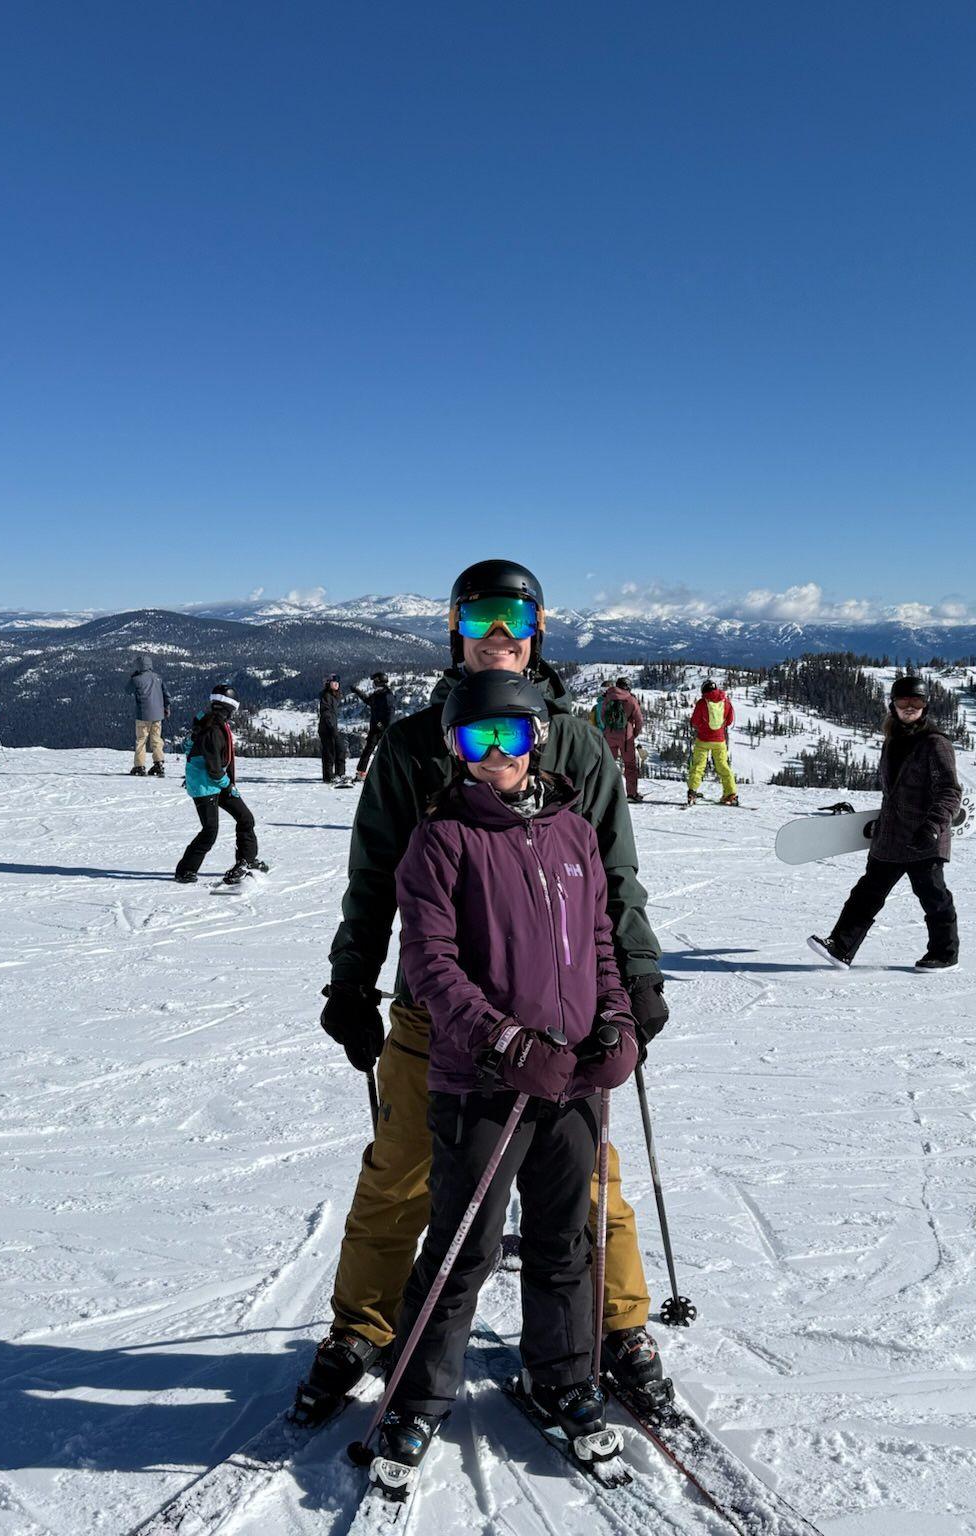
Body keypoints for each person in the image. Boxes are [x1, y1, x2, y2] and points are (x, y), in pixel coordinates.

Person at [297, 558, 671, 1425]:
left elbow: (613, 876)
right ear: (455, 630)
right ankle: (364, 1325)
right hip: (442, 1014)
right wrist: (352, 979)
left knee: (585, 1179)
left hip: (561, 1020)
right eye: (479, 618)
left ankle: (613, 1326)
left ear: (539, 630)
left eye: (515, 617)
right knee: (400, 1170)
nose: (498, 635)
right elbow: (374, 879)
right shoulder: (412, 744)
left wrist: (636, 977)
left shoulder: (574, 739)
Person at [366, 669, 642, 1481]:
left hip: (572, 1077)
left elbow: (598, 945)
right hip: (483, 1081)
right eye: (475, 739)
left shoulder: (573, 832)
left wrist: (616, 1018)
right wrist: (505, 1041)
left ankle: (560, 1378)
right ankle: (417, 1396)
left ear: (537, 741)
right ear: (454, 749)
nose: (495, 755)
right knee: (463, 1246)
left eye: (510, 737)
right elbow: (431, 964)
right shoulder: (442, 838)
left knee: (566, 1242)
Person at [808, 675, 963, 973]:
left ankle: (945, 954)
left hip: (923, 836)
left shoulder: (935, 743)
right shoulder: (893, 741)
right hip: (891, 836)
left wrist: (932, 826)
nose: (909, 708)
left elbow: (950, 791)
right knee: (866, 893)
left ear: (925, 706)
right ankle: (840, 947)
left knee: (933, 897)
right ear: (892, 705)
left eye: (915, 703)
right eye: (903, 702)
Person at [175, 685, 266, 885]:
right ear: (230, 708)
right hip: (205, 785)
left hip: (217, 782)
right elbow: (214, 769)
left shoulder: (210, 721)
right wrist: (228, 785)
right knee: (210, 831)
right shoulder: (213, 730)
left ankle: (247, 860)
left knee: (245, 818)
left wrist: (227, 784)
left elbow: (190, 746)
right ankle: (185, 870)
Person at [687, 679, 738, 806]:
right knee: (723, 766)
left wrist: (702, 727)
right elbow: (730, 721)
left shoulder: (702, 703)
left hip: (703, 740)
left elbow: (694, 721)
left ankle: (692, 792)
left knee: (698, 766)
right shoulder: (726, 702)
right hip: (719, 740)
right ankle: (730, 793)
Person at [597, 677, 645, 802]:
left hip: (609, 735)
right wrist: (634, 733)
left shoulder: (608, 697)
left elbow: (602, 716)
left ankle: (606, 793)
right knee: (629, 765)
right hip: (625, 737)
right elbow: (639, 720)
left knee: (608, 764)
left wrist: (608, 729)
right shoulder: (631, 699)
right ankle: (631, 794)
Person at [128, 654, 171, 778]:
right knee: (157, 739)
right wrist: (167, 708)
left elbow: (127, 690)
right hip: (158, 714)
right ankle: (159, 764)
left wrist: (133, 677)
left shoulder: (136, 679)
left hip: (143, 714)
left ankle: (139, 766)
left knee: (141, 740)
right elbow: (166, 694)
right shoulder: (158, 677)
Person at [352, 673, 394, 782]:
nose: (373, 684)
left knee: (386, 753)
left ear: (379, 681)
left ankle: (389, 776)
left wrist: (383, 725)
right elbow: (368, 701)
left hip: (383, 730)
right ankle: (361, 774)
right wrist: (357, 692)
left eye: (374, 681)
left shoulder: (387, 695)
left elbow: (390, 713)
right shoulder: (377, 694)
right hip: (375, 728)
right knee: (367, 751)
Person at [318, 675, 348, 784]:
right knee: (329, 752)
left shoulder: (333, 695)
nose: (336, 684)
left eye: (338, 682)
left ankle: (340, 774)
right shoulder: (327, 695)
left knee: (340, 749)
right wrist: (331, 726)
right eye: (333, 682)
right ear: (328, 683)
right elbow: (326, 712)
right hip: (327, 728)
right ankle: (329, 776)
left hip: (332, 726)